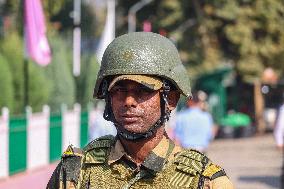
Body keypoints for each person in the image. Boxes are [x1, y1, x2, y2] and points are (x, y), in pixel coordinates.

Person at [47, 32, 234, 189]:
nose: (129, 101)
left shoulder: (203, 181)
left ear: (171, 99)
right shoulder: (76, 172)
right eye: (119, 90)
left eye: (144, 90)